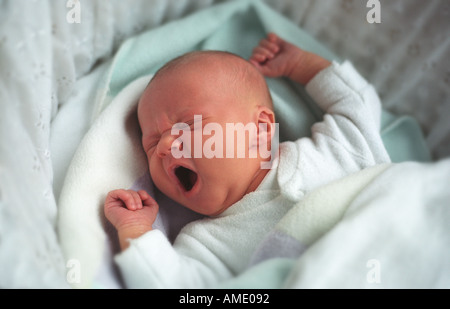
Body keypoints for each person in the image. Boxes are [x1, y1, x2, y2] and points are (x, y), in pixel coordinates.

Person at [104, 33, 390, 288]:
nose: (165, 146)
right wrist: (136, 231)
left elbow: (357, 107)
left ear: (261, 130)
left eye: (188, 126)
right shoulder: (207, 244)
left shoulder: (330, 152)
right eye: (152, 144)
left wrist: (303, 66)